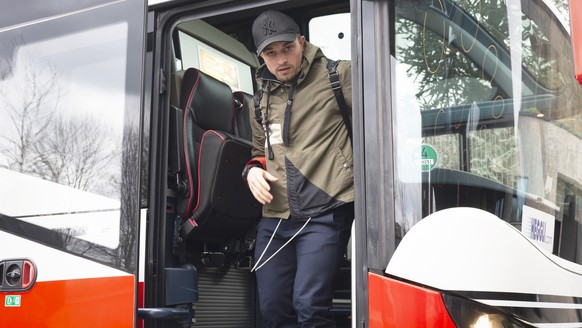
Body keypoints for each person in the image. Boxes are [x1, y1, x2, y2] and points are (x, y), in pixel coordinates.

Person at [242, 9, 354, 328]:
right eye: (270, 53)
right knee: (274, 308)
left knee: (309, 306)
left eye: (287, 48)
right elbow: (259, 151)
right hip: (276, 218)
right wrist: (251, 171)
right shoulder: (259, 100)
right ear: (260, 56)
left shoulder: (339, 76)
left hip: (325, 209)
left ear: (301, 43)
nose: (281, 60)